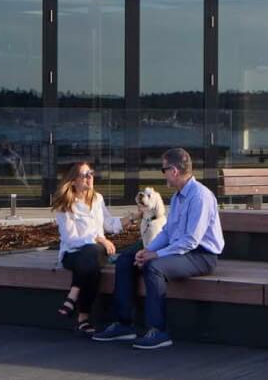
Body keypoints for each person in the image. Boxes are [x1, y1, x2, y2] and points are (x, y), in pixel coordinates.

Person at [92, 147, 224, 350]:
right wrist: (147, 250)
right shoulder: (178, 197)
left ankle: (159, 331)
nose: (163, 175)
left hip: (202, 255)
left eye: (163, 170)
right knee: (126, 260)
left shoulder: (200, 197)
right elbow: (167, 233)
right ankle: (124, 324)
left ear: (174, 171)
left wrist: (156, 255)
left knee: (154, 267)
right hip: (180, 250)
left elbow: (191, 240)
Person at [51, 160, 116, 335]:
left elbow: (109, 223)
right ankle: (83, 318)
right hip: (72, 254)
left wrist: (134, 216)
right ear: (73, 181)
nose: (89, 177)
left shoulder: (97, 199)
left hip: (95, 252)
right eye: (84, 175)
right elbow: (71, 240)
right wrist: (97, 238)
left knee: (92, 253)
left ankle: (73, 296)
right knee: (92, 262)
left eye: (91, 173)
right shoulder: (65, 206)